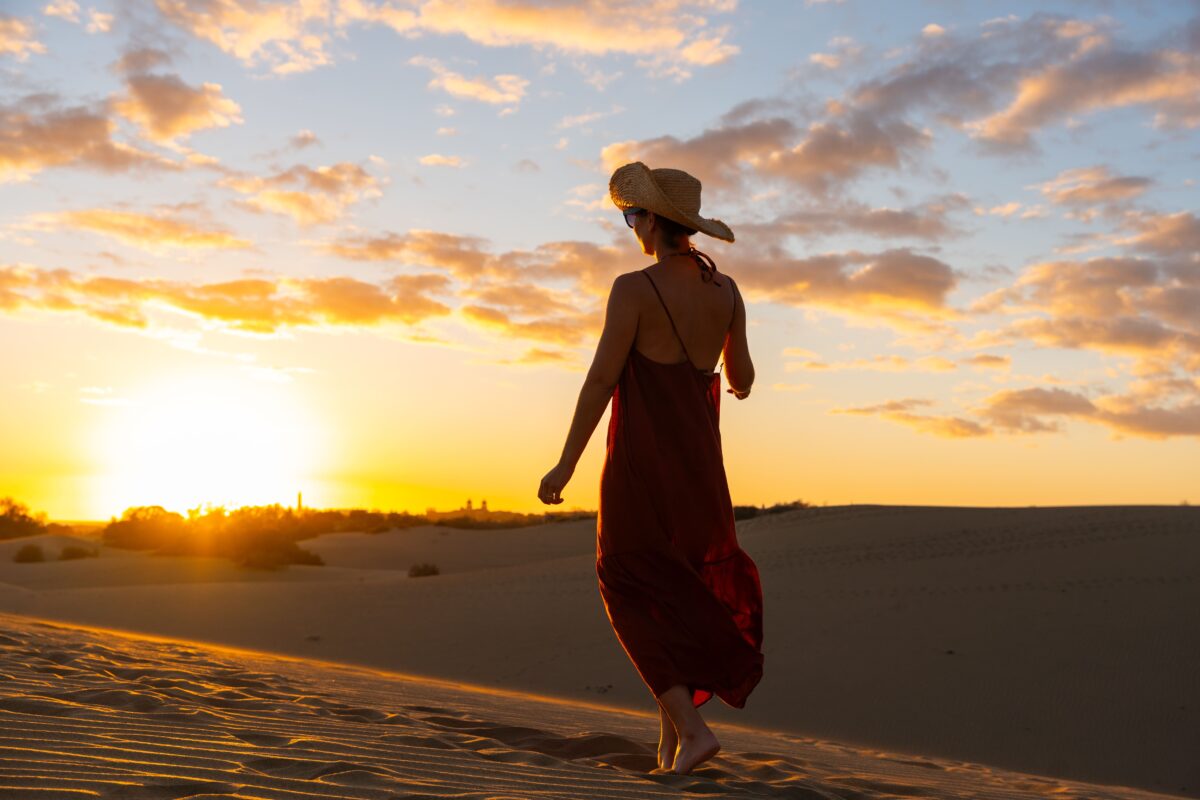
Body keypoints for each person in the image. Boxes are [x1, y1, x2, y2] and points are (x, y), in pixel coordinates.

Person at [537, 162, 764, 776]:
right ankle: (670, 749)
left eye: (632, 215)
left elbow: (601, 380)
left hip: (641, 468)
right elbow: (742, 378)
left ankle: (692, 731)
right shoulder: (728, 291)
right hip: (701, 472)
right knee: (676, 595)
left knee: (625, 584)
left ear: (654, 220)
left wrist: (564, 464)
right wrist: (724, 361)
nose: (630, 225)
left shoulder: (633, 289)